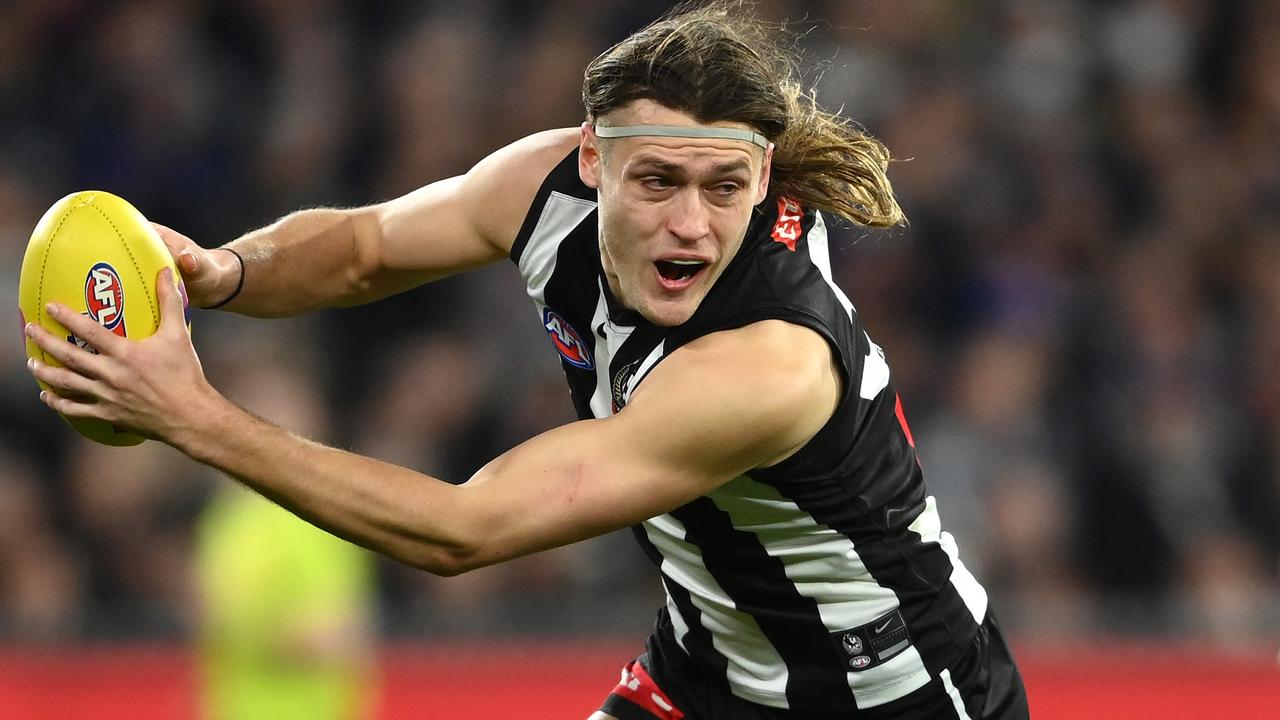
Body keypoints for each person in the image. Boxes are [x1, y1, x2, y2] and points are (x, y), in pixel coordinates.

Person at [24, 3, 1029, 718]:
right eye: (657, 181)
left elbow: (467, 530)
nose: (691, 222)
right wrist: (227, 271)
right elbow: (367, 249)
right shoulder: (542, 190)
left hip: (890, 694)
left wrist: (195, 418)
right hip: (712, 669)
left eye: (725, 186)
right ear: (589, 160)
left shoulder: (766, 363)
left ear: (762, 174)